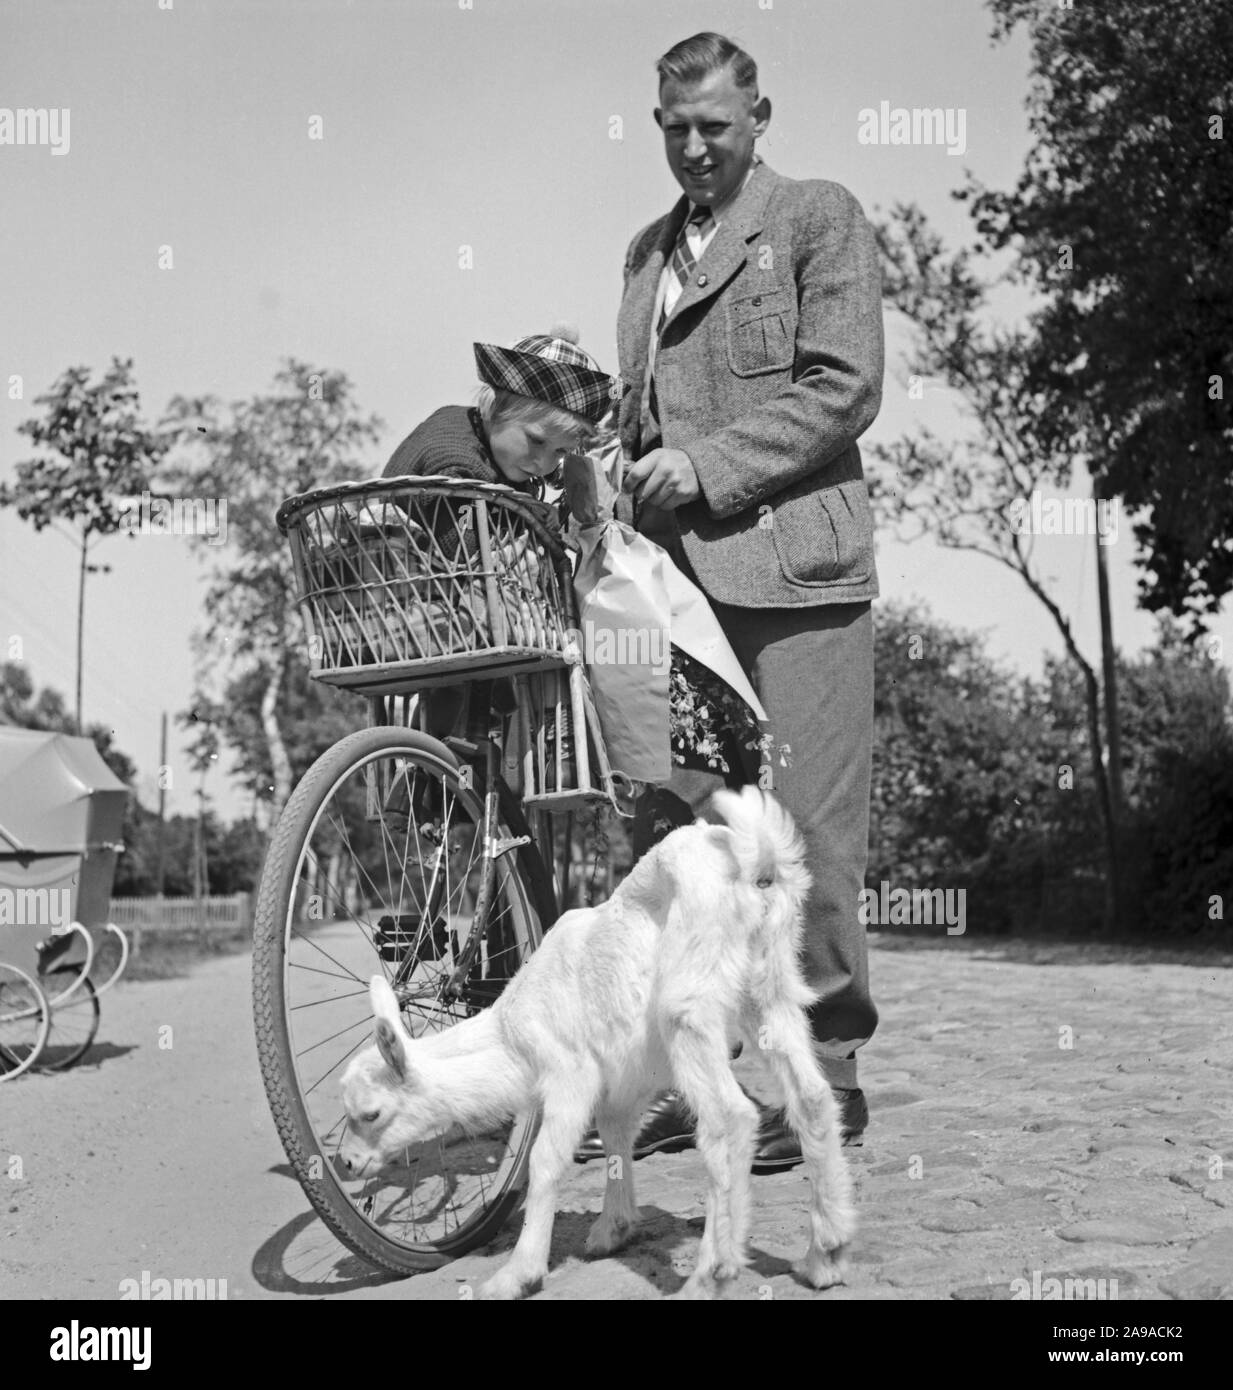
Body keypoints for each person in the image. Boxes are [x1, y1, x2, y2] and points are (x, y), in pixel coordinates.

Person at [576, 32, 884, 1170]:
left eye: (714, 125)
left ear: (760, 114)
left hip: (795, 577)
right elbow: (639, 421)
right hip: (664, 595)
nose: (694, 148)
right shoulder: (640, 257)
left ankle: (829, 1078)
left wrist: (704, 469)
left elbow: (845, 386)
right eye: (674, 130)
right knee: (671, 838)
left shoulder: (816, 217)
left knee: (805, 836)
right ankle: (682, 1075)